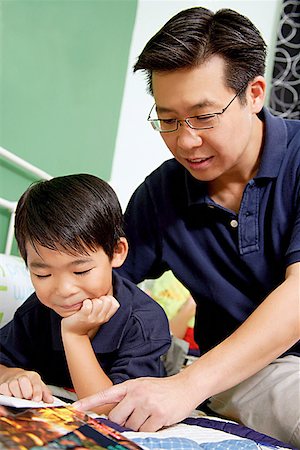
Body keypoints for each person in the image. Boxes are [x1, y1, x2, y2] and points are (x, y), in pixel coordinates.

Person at [73, 6, 300, 446]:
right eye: (169, 120)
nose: (186, 141)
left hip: (211, 372)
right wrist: (12, 362)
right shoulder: (161, 194)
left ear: (254, 94)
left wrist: (187, 385)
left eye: (203, 116)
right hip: (253, 370)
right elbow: (93, 283)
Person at [0, 174, 171, 414]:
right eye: (43, 275)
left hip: (155, 364)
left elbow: (110, 410)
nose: (64, 290)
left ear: (117, 252)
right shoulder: (37, 311)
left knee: (174, 360)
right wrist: (13, 375)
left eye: (81, 270)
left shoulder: (143, 320)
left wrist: (74, 336)